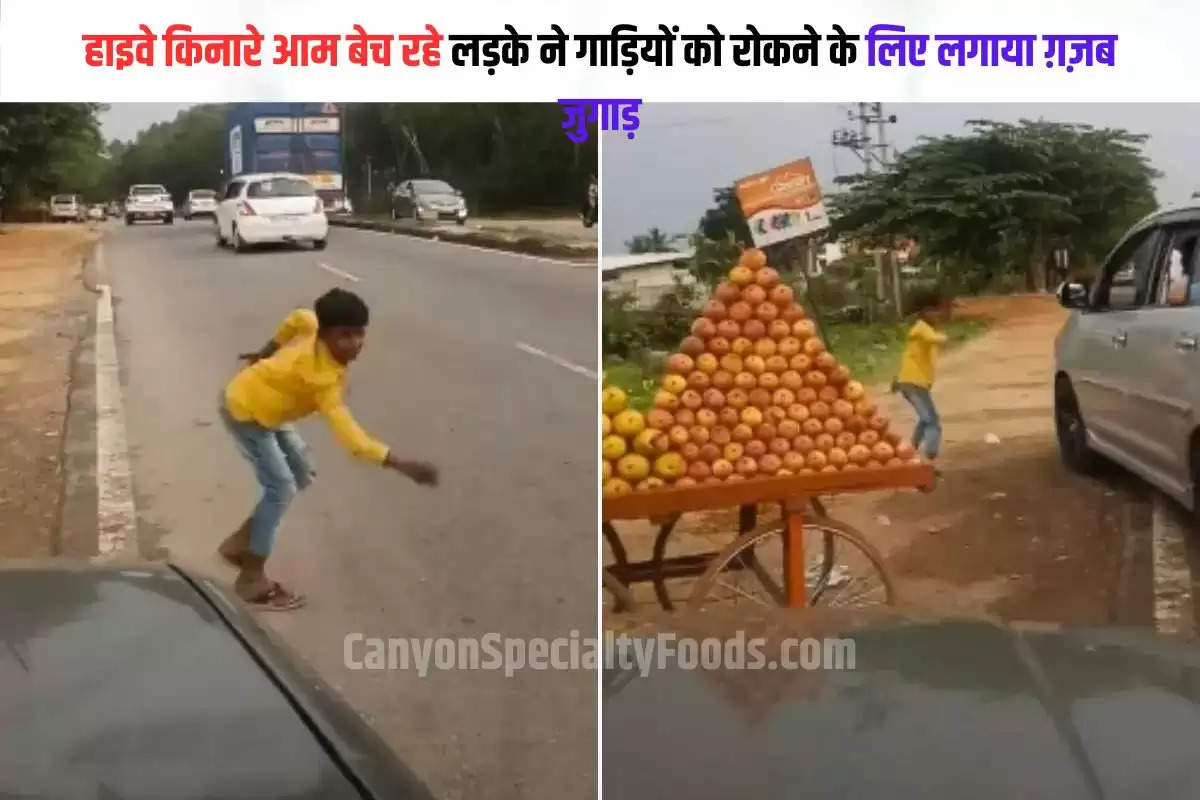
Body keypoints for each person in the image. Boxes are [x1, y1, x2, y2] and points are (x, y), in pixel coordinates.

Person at [217, 288, 438, 610]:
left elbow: (297, 318)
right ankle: (251, 578)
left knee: (301, 475)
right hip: (245, 412)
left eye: (359, 334)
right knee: (280, 488)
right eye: (344, 336)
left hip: (271, 412)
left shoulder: (312, 326)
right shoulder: (320, 380)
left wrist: (265, 352)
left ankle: (238, 545)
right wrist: (399, 463)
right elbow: (353, 440)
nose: (355, 343)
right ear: (326, 334)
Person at [895, 302, 948, 471]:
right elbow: (932, 338)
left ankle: (909, 452)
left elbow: (929, 357)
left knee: (925, 419)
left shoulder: (927, 331)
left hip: (917, 384)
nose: (935, 316)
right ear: (924, 314)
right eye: (931, 312)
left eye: (936, 312)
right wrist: (943, 337)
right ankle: (930, 458)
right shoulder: (920, 327)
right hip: (912, 383)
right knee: (931, 420)